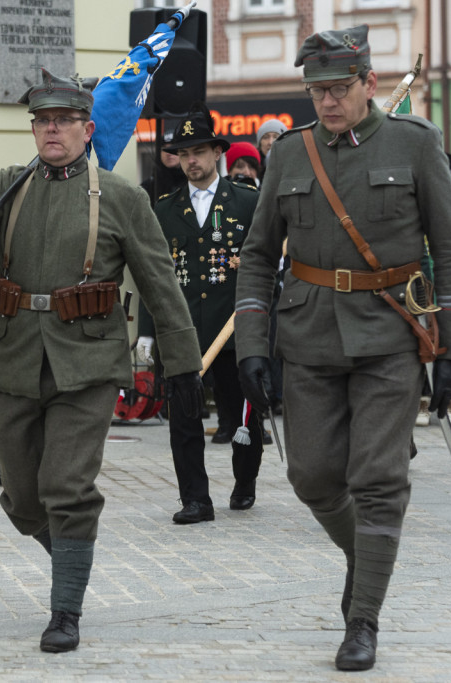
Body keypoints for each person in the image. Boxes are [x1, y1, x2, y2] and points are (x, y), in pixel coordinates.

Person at [0, 69, 204, 652]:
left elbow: (159, 282)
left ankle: (65, 611)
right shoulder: (14, 184)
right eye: (41, 121)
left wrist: (183, 367)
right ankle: (73, 558)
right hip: (14, 358)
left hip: (87, 359)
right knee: (20, 497)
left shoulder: (122, 197)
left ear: (87, 128)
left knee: (66, 487)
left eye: (62, 121)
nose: (50, 129)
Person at [235, 25, 451, 671]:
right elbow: (258, 255)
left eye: (339, 88)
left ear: (370, 83)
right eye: (317, 90)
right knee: (310, 476)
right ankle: (364, 560)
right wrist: (252, 341)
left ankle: (362, 618)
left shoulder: (415, 145)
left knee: (377, 479)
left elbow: (450, 249)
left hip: (391, 335)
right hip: (309, 334)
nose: (328, 101)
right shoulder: (290, 152)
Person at [137, 106, 264, 524]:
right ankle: (195, 499)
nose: (191, 160)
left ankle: (245, 482)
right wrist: (147, 334)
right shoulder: (164, 210)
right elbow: (151, 277)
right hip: (184, 332)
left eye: (199, 151)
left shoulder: (247, 203)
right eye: (183, 153)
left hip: (235, 330)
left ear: (216, 153)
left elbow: (270, 266)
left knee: (245, 415)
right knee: (185, 420)